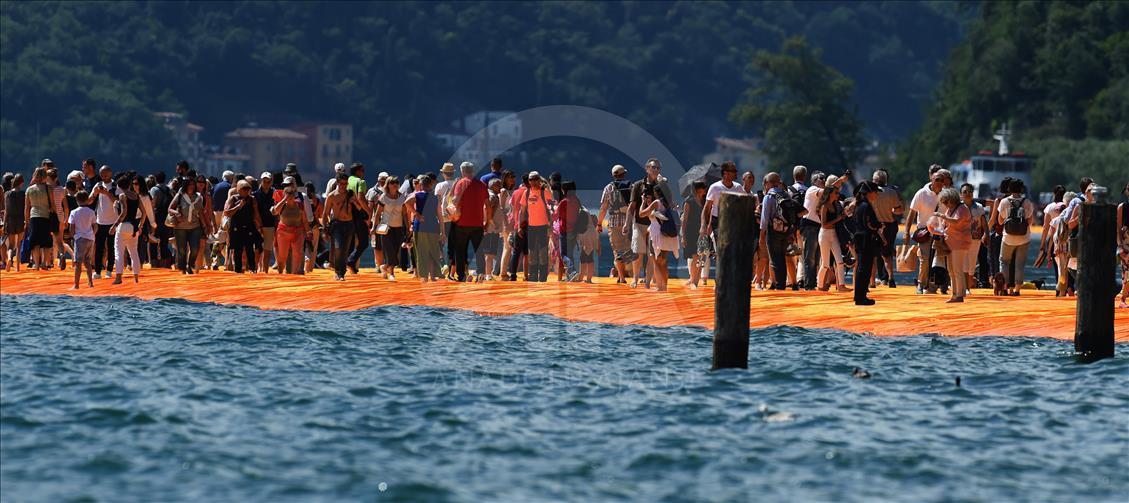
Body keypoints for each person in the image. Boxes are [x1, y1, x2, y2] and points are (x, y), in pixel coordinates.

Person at [624, 158, 673, 289]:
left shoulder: (661, 185)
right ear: (647, 169)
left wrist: (664, 185)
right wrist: (627, 224)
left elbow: (669, 202)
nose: (656, 170)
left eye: (658, 168)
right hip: (639, 223)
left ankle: (647, 281)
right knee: (638, 252)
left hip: (656, 224)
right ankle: (635, 278)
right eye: (653, 167)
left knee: (652, 255)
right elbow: (632, 206)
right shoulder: (638, 185)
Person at [904, 167, 946, 294]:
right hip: (924, 232)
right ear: (932, 180)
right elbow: (911, 213)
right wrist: (906, 232)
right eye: (937, 179)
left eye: (942, 180)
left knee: (940, 260)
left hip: (940, 232)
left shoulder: (946, 194)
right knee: (925, 259)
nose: (940, 182)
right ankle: (921, 284)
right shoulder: (921, 193)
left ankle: (937, 285)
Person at [448, 162, 490, 282]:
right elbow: (488, 205)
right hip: (478, 223)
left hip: (462, 223)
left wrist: (452, 209)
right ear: (473, 170)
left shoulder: (461, 183)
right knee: (479, 250)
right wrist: (488, 221)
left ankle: (462, 276)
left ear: (462, 171)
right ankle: (481, 274)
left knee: (460, 250)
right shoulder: (481, 185)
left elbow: (455, 200)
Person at [996, 178, 1035, 296]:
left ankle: (1005, 287)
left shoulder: (1004, 202)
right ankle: (1017, 289)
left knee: (1004, 262)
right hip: (1024, 238)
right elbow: (1030, 221)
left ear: (1009, 189)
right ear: (1021, 189)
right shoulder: (1027, 202)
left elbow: (1000, 221)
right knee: (1020, 263)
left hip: (1008, 237)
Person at [322, 172, 363, 281]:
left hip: (349, 224)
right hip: (337, 225)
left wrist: (354, 202)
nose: (344, 186)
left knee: (345, 250)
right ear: (337, 183)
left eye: (345, 184)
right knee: (338, 248)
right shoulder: (331, 196)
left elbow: (359, 209)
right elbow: (325, 214)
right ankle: (338, 272)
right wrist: (324, 230)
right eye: (342, 184)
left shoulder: (350, 193)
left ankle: (341, 273)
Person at [934, 187, 972, 302]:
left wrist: (941, 216)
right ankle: (955, 294)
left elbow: (955, 221)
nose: (945, 204)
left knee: (957, 270)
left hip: (960, 243)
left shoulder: (962, 208)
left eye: (946, 201)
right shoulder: (950, 210)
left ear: (952, 199)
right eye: (943, 202)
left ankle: (959, 295)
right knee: (951, 270)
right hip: (950, 243)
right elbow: (945, 224)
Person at [598, 164, 633, 283]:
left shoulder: (608, 188)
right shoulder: (631, 186)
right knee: (629, 250)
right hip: (628, 222)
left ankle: (622, 277)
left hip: (613, 222)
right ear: (624, 174)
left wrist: (599, 224)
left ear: (613, 175)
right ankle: (628, 274)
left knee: (617, 251)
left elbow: (603, 208)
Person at [638, 187, 678, 291]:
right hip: (668, 232)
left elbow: (641, 214)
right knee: (664, 261)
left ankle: (660, 287)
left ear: (656, 193)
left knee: (657, 261)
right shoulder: (670, 202)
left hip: (657, 233)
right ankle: (664, 286)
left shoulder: (657, 202)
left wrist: (642, 202)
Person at [372, 175, 410, 281]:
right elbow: (378, 213)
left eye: (397, 183)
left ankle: (384, 266)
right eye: (392, 183)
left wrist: (407, 227)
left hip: (398, 227)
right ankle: (392, 273)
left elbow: (405, 214)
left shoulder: (402, 197)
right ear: (388, 185)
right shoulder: (383, 197)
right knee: (389, 251)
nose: (395, 185)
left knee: (396, 251)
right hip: (386, 228)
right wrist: (374, 227)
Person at [852, 181, 883, 305]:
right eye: (876, 192)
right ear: (869, 192)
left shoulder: (859, 205)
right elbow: (871, 224)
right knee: (865, 269)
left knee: (861, 268)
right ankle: (861, 297)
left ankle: (859, 295)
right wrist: (879, 225)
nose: (877, 195)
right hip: (866, 239)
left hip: (859, 238)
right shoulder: (866, 205)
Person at [817, 175, 850, 292]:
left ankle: (841, 285)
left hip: (833, 234)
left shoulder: (836, 205)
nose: (837, 194)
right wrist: (838, 219)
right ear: (830, 194)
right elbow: (824, 224)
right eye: (836, 193)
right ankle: (820, 285)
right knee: (825, 264)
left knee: (840, 261)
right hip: (825, 235)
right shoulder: (825, 206)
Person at [271, 176, 309, 275]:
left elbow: (304, 218)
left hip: (298, 231)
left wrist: (308, 231)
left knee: (297, 253)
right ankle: (280, 271)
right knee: (283, 255)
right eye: (287, 193)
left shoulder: (300, 202)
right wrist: (284, 199)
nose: (290, 195)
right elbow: (275, 211)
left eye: (291, 194)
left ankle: (294, 273)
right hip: (283, 231)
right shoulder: (281, 202)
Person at [110, 175, 145, 284]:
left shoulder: (122, 195)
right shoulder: (136, 196)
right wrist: (140, 226)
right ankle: (136, 278)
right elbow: (144, 213)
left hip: (123, 226)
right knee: (134, 252)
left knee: (119, 252)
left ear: (119, 186)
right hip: (134, 227)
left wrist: (114, 225)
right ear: (129, 185)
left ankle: (118, 278)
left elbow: (124, 212)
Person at [407, 175, 442, 282]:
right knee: (433, 251)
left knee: (422, 252)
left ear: (421, 185)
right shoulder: (435, 197)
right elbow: (440, 215)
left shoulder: (417, 195)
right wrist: (443, 231)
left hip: (420, 226)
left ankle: (424, 276)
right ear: (431, 185)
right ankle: (432, 275)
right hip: (433, 226)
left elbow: (407, 203)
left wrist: (416, 214)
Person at [871, 169, 903, 287]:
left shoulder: (871, 193)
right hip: (890, 224)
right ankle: (891, 278)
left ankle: (875, 280)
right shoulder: (891, 192)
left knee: (874, 254)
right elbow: (899, 209)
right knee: (887, 253)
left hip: (876, 225)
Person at [759, 172, 790, 290]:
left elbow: (765, 218)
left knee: (774, 259)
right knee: (782, 257)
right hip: (786, 231)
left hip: (773, 231)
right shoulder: (786, 195)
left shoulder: (769, 197)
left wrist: (762, 235)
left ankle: (778, 284)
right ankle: (782, 283)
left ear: (768, 183)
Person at [224, 180, 262, 274]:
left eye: (248, 189)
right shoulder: (233, 199)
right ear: (239, 189)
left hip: (249, 227)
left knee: (250, 249)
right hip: (236, 228)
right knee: (238, 250)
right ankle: (238, 270)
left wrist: (259, 227)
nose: (246, 191)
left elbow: (256, 213)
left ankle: (252, 269)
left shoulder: (252, 199)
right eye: (244, 189)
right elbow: (227, 213)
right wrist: (238, 206)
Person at [169, 175, 205, 274]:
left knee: (195, 248)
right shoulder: (180, 195)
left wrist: (206, 226)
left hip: (195, 227)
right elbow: (170, 208)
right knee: (181, 250)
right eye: (189, 184)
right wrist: (177, 213)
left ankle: (190, 265)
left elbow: (201, 213)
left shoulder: (198, 197)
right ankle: (183, 268)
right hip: (180, 227)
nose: (191, 186)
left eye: (193, 184)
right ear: (185, 185)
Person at [798, 170, 825, 290]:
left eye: (824, 178)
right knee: (810, 258)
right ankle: (809, 284)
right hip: (810, 227)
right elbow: (826, 191)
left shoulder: (821, 193)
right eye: (821, 178)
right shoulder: (812, 189)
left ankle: (812, 283)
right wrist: (838, 182)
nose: (823, 180)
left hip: (817, 227)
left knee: (816, 257)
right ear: (814, 181)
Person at [90, 165, 118, 277]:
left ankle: (109, 270)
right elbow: (90, 199)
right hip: (100, 221)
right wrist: (95, 193)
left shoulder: (115, 186)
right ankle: (97, 271)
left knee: (111, 247)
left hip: (113, 221)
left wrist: (107, 193)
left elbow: (117, 201)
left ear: (110, 173)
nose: (103, 177)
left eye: (106, 174)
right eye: (102, 175)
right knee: (99, 247)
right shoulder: (98, 185)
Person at [24, 167, 55, 269]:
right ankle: (45, 264)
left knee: (35, 242)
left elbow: (27, 207)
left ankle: (36, 265)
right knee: (46, 242)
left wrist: (27, 220)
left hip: (34, 216)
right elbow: (53, 205)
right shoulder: (48, 188)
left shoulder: (29, 189)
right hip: (45, 216)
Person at [960, 183, 988, 290]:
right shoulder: (958, 207)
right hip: (961, 239)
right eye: (965, 192)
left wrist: (986, 234)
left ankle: (968, 288)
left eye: (970, 191)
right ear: (961, 194)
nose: (968, 193)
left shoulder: (979, 207)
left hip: (975, 239)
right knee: (963, 264)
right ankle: (963, 288)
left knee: (971, 264)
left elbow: (984, 222)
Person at [552, 180, 581, 281]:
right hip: (574, 231)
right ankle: (571, 277)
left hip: (564, 230)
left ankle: (572, 272)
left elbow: (555, 215)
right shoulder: (576, 200)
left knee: (563, 254)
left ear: (565, 190)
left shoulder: (564, 202)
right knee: (570, 254)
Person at [68, 191, 97, 288]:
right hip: (90, 238)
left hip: (80, 238)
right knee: (87, 261)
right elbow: (95, 226)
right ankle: (90, 283)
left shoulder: (74, 212)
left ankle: (76, 285)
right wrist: (92, 234)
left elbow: (71, 227)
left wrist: (73, 236)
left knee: (78, 263)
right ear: (87, 200)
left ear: (77, 200)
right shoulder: (91, 212)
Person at [480, 178, 506, 281]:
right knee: (490, 253)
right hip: (491, 229)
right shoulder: (493, 197)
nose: (500, 187)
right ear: (492, 186)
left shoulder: (488, 195)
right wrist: (490, 222)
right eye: (497, 185)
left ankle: (486, 273)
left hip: (490, 228)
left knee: (488, 253)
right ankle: (488, 275)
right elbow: (488, 209)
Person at [682, 180, 707, 289]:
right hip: (691, 232)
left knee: (702, 257)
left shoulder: (705, 201)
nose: (705, 189)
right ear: (698, 189)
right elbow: (685, 220)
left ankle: (696, 281)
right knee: (695, 256)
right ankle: (693, 280)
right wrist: (683, 235)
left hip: (702, 232)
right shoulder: (689, 201)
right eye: (703, 187)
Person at [434, 162, 457, 276]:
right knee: (454, 244)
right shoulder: (458, 184)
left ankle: (443, 265)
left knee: (440, 243)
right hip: (456, 218)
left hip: (443, 218)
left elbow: (437, 202)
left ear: (443, 174)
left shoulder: (440, 186)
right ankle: (452, 266)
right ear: (453, 173)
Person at [4, 173, 25, 271]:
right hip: (20, 219)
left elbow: (6, 211)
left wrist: (4, 223)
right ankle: (17, 267)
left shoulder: (7, 194)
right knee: (19, 243)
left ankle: (9, 258)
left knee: (11, 245)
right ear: (20, 183)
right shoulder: (22, 194)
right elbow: (25, 208)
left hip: (11, 219)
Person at [577, 211, 599, 283]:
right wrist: (598, 248)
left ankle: (582, 278)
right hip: (591, 235)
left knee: (584, 258)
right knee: (589, 257)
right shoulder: (592, 226)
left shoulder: (582, 213)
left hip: (586, 234)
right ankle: (588, 279)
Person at [1116, 182, 1128, 308]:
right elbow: (1118, 229)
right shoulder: (1122, 207)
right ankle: (1123, 299)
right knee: (1126, 271)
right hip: (1126, 243)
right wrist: (1120, 246)